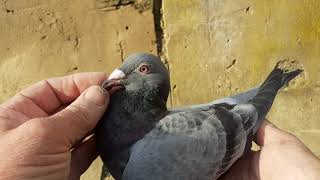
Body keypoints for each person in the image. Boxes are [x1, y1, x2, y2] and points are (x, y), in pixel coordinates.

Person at [0, 72, 319, 180]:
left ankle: (279, 76)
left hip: (223, 125)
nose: (121, 77)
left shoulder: (149, 160)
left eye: (138, 70)